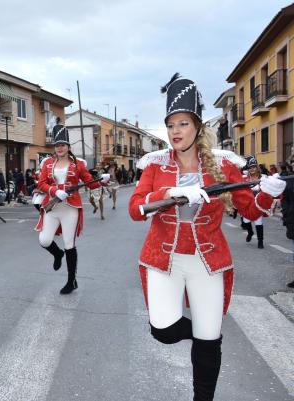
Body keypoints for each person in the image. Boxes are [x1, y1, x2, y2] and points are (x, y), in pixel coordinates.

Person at [128, 73, 286, 401]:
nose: (175, 132)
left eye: (183, 124)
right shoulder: (155, 166)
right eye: (171, 125)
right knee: (163, 330)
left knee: (208, 338)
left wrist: (269, 193)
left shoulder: (224, 167)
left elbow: (253, 210)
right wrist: (170, 193)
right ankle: (205, 338)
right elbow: (135, 208)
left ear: (198, 128)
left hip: (208, 262)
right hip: (163, 259)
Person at [36, 124, 109, 294]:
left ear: (68, 147)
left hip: (70, 208)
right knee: (44, 240)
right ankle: (57, 254)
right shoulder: (47, 163)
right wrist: (55, 191)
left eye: (63, 145)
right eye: (57, 145)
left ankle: (71, 281)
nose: (59, 148)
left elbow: (90, 182)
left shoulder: (78, 164)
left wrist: (102, 180)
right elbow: (41, 184)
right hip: (52, 206)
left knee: (69, 244)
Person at [241, 156, 266, 249]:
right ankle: (250, 232)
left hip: (258, 204)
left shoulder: (263, 177)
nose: (252, 169)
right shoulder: (244, 178)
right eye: (250, 167)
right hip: (247, 204)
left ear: (257, 167)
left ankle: (260, 241)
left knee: (258, 222)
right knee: (245, 222)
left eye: (254, 167)